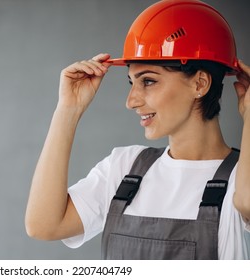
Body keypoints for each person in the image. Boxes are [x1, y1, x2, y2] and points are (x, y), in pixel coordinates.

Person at [25, 0, 250, 259]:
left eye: (149, 81)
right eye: (132, 82)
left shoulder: (240, 177)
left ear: (200, 83)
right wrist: (68, 110)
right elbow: (44, 225)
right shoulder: (124, 168)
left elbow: (246, 201)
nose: (131, 101)